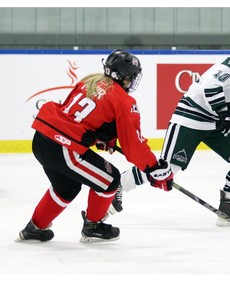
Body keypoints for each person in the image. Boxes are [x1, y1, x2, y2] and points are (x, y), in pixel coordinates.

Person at [109, 31, 230, 226]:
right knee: (168, 168)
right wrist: (224, 112)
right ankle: (120, 184)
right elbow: (210, 86)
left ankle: (228, 205)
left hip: (215, 124)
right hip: (190, 119)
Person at [18, 49, 174, 243]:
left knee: (66, 188)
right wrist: (154, 168)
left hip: (42, 140)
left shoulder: (89, 82)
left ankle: (34, 229)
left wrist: (103, 139)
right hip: (64, 148)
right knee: (110, 179)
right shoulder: (124, 101)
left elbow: (77, 118)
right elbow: (133, 145)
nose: (133, 81)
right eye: (132, 76)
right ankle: (93, 226)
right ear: (122, 75)